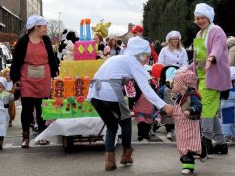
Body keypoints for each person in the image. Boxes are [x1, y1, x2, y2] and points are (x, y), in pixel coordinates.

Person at [87, 36, 172, 171]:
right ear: (140, 54)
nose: (146, 60)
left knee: (112, 126)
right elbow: (146, 88)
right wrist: (164, 105)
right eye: (146, 56)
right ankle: (126, 155)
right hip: (111, 93)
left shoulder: (117, 58)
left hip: (94, 95)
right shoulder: (133, 62)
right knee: (126, 120)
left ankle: (109, 161)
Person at [10, 15, 59, 148]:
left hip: (43, 77)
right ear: (36, 27)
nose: (45, 29)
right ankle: (25, 136)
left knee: (42, 107)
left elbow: (51, 58)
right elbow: (16, 61)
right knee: (27, 108)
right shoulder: (23, 41)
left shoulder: (46, 40)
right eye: (44, 26)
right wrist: (15, 78)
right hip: (27, 77)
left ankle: (42, 135)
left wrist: (55, 71)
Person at [192, 3, 231, 155]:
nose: (200, 20)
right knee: (211, 110)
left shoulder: (216, 30)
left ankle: (206, 140)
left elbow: (218, 48)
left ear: (208, 17)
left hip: (214, 77)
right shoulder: (198, 34)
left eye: (202, 17)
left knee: (206, 108)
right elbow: (196, 58)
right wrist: (186, 69)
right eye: (197, 18)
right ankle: (221, 144)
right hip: (202, 78)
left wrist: (212, 57)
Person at [165, 69, 206, 175]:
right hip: (180, 128)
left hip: (191, 126)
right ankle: (188, 165)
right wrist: (164, 112)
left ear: (183, 85)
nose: (173, 85)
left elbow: (198, 106)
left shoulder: (191, 96)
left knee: (193, 145)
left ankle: (202, 151)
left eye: (175, 83)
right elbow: (175, 108)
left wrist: (190, 110)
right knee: (183, 148)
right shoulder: (179, 97)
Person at [158, 67, 177, 139]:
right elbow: (160, 98)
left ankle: (173, 129)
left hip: (175, 106)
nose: (171, 84)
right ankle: (168, 130)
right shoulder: (162, 89)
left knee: (174, 119)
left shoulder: (177, 87)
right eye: (169, 82)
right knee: (167, 119)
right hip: (166, 106)